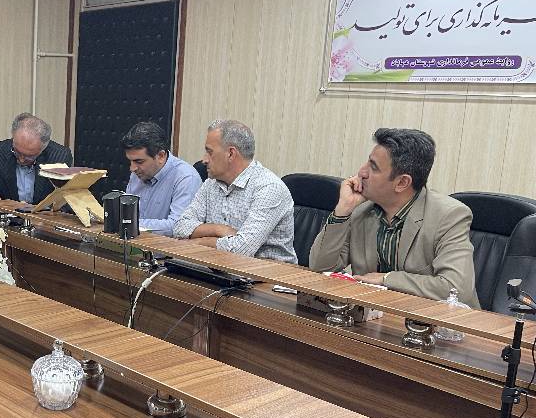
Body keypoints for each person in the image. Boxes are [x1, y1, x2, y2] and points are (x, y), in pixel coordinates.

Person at [308, 127, 480, 307]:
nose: (362, 172)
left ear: (402, 183)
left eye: (373, 167)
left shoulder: (449, 216)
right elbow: (320, 268)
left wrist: (387, 279)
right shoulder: (361, 209)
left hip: (435, 320)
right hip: (375, 316)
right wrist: (342, 210)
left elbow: (456, 289)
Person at [172, 119, 297, 263]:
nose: (204, 160)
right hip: (218, 265)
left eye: (209, 152)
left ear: (231, 154)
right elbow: (180, 227)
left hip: (269, 272)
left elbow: (241, 250)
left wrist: (199, 242)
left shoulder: (269, 188)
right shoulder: (211, 183)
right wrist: (218, 229)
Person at [0, 113, 73, 204]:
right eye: (17, 152)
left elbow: (70, 200)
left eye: (29, 156)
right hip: (8, 220)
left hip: (44, 220)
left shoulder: (60, 156)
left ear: (43, 148)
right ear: (13, 138)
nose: (22, 160)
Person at [121, 121, 201, 236]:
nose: (132, 168)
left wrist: (130, 223)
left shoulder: (186, 178)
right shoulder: (138, 172)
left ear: (161, 156)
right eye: (130, 161)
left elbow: (177, 226)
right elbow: (127, 214)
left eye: (139, 161)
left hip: (166, 247)